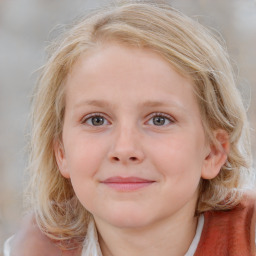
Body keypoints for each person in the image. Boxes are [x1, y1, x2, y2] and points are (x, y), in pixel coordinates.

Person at [4, 1, 256, 255]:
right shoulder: (31, 249)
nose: (125, 149)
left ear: (212, 152)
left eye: (159, 120)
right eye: (96, 120)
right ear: (61, 153)